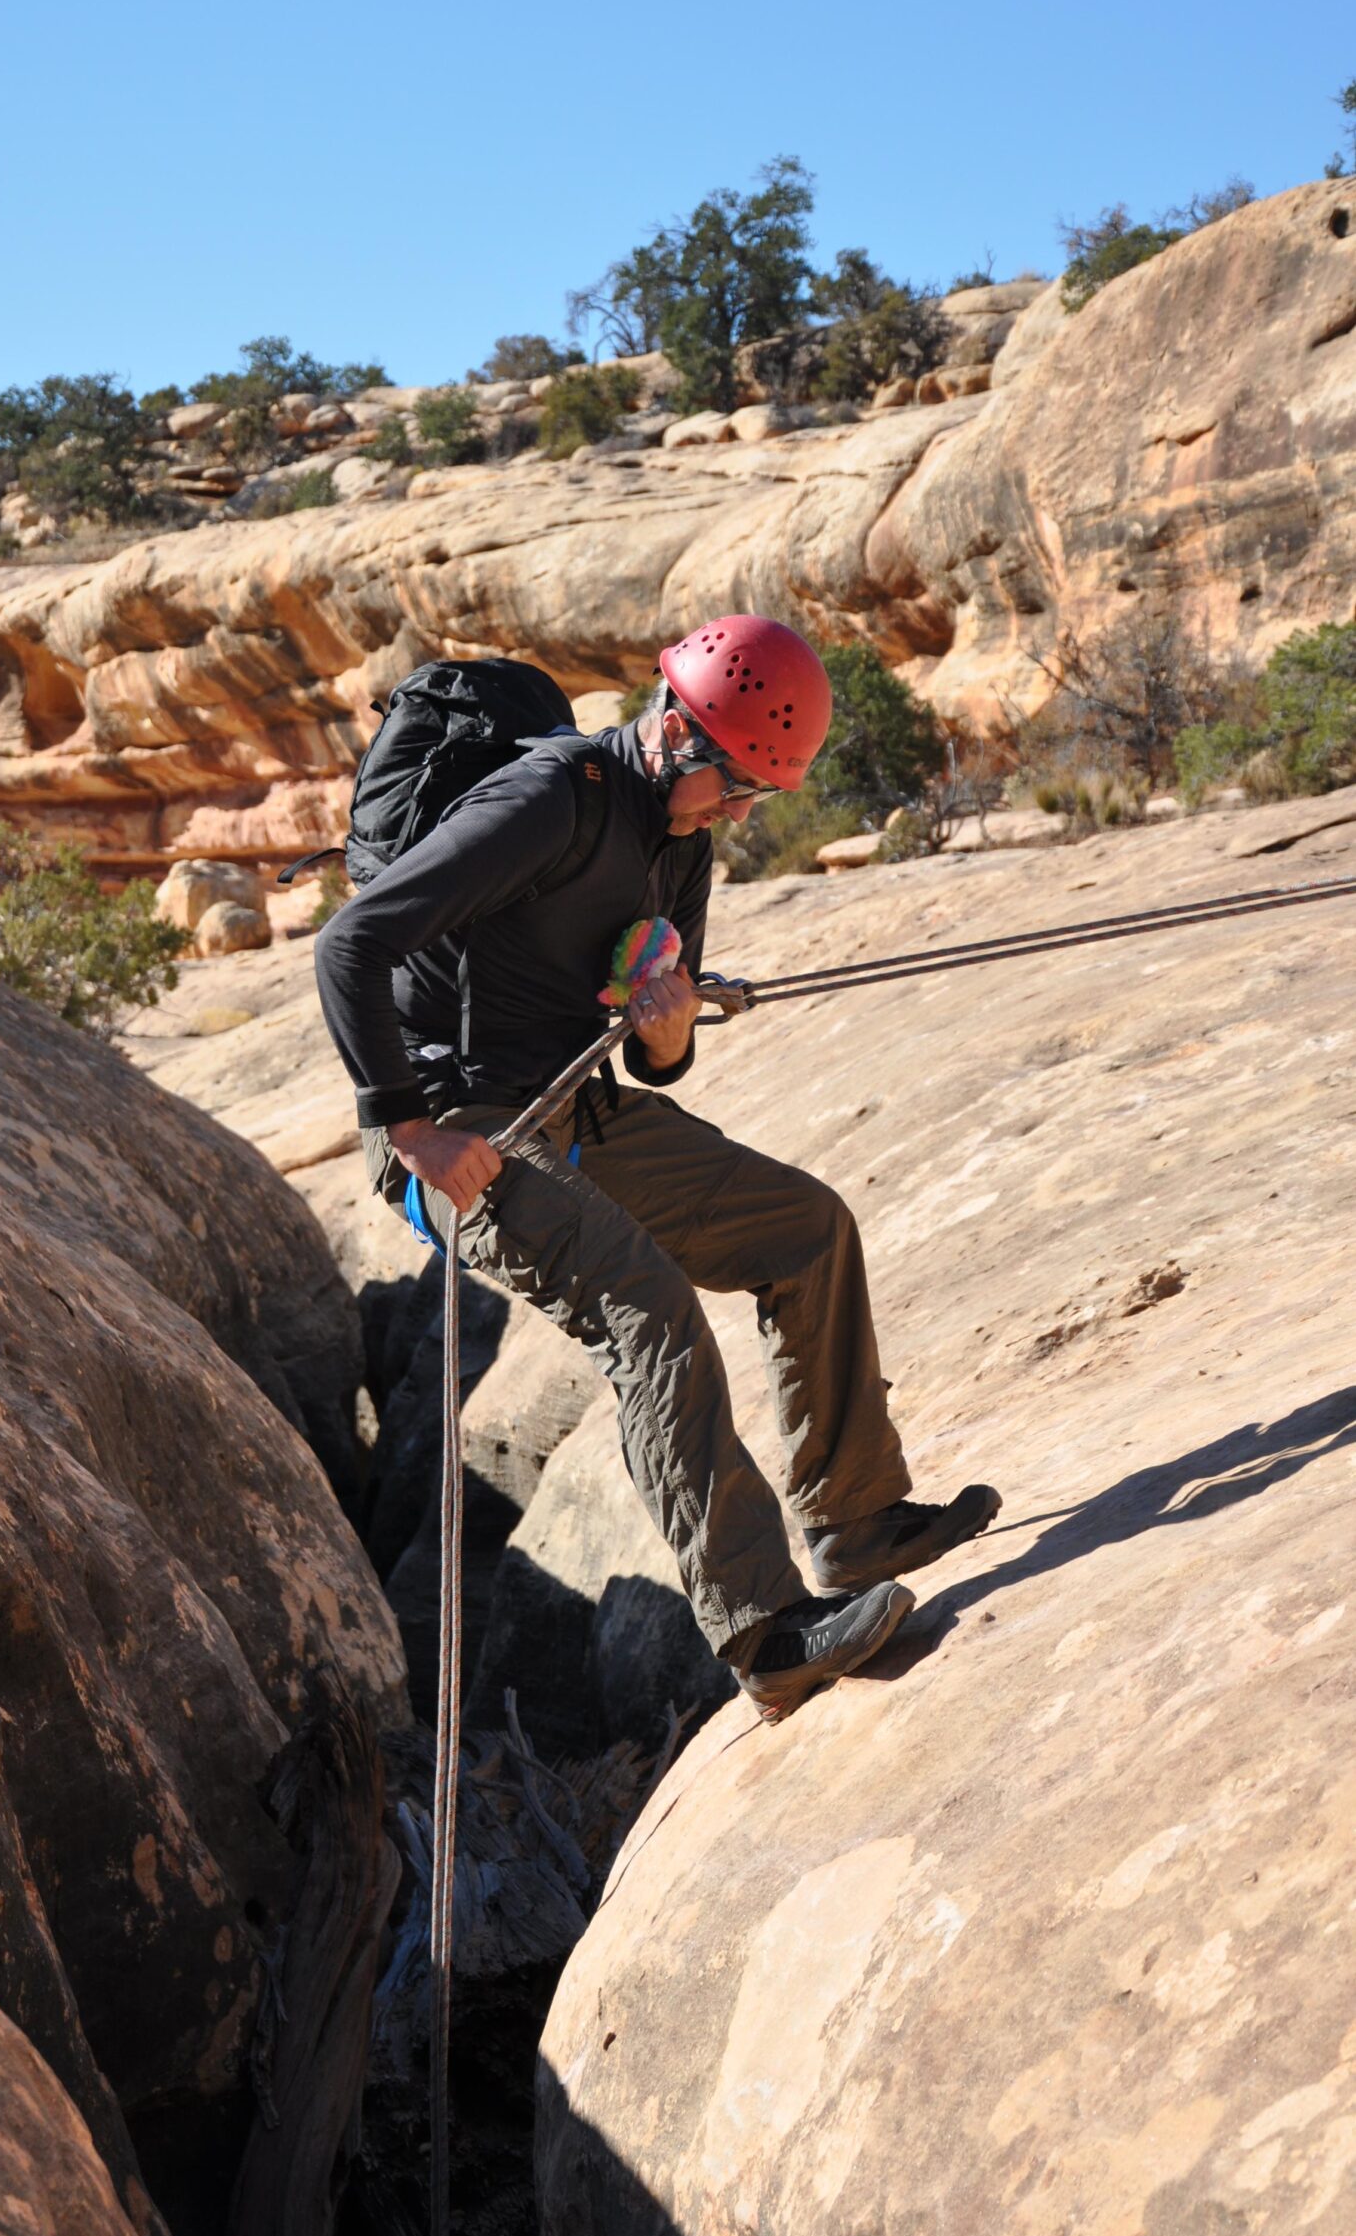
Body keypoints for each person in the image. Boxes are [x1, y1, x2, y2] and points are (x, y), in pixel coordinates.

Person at [315, 616, 999, 1719]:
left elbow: (651, 1057)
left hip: (578, 1107)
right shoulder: (549, 799)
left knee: (805, 1227)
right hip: (457, 1126)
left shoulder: (684, 839)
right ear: (675, 730)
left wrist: (668, 1022)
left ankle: (855, 1520)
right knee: (646, 1307)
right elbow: (351, 946)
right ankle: (764, 1633)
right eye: (732, 786)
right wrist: (409, 1133)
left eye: (756, 799)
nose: (737, 813)